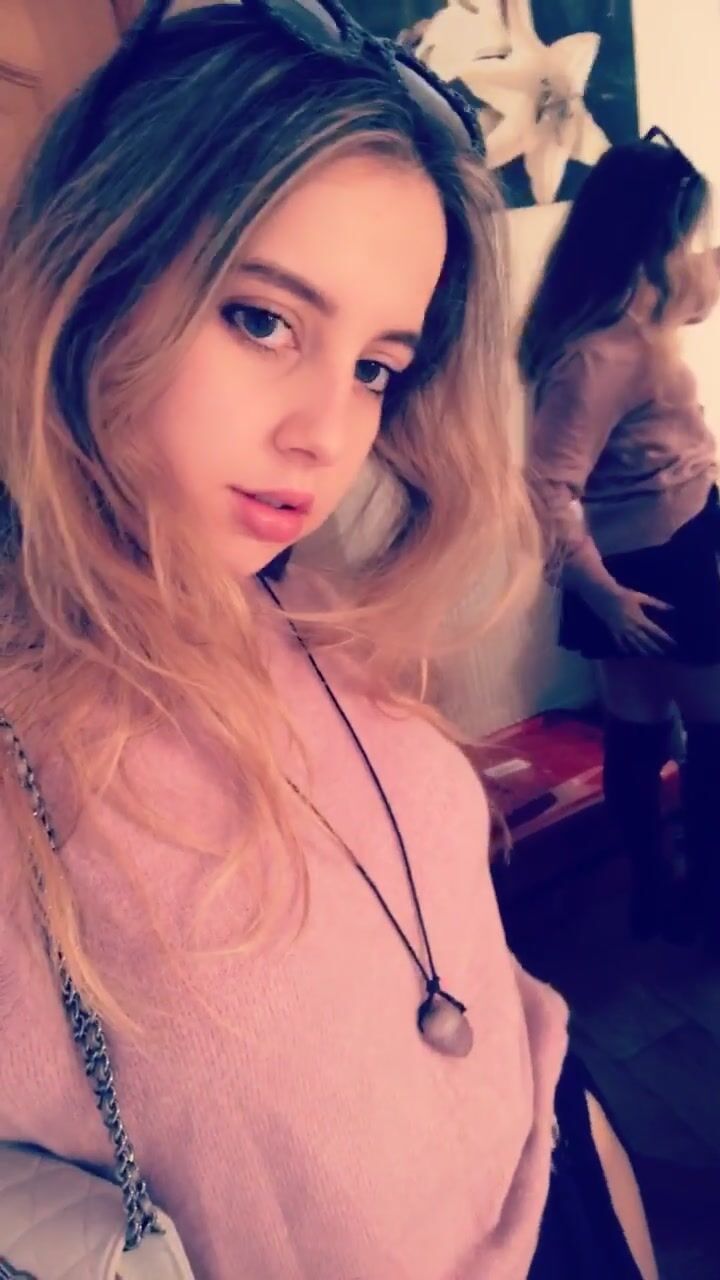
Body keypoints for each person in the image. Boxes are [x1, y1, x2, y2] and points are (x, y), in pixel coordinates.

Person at [0, 3, 657, 1277]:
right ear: (91, 286)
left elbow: (487, 985)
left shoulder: (308, 611)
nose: (326, 434)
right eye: (263, 319)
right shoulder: (27, 761)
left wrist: (593, 1176)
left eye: (375, 365)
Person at [520, 128, 720, 947]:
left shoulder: (650, 296)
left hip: (671, 535)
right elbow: (546, 490)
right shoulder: (601, 354)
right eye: (685, 228)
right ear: (652, 232)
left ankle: (667, 899)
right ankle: (694, 901)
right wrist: (604, 597)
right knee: (701, 734)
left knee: (643, 730)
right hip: (649, 565)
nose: (692, 245)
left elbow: (706, 281)